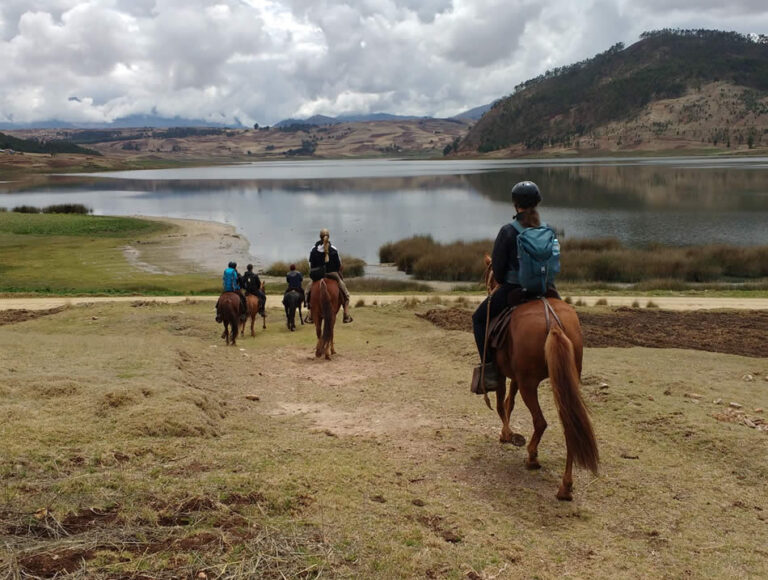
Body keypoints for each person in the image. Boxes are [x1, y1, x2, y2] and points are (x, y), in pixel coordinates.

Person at [471, 181, 559, 390]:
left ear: (515, 205)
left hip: (514, 290)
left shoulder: (508, 231)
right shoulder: (548, 230)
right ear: (537, 203)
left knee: (478, 319)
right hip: (546, 288)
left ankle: (489, 371)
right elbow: (553, 263)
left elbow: (499, 275)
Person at [306, 228, 353, 323]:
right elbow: (338, 265)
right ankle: (346, 315)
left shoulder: (314, 249)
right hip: (332, 274)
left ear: (320, 237)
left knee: (307, 291)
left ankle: (310, 314)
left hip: (318, 275)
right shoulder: (334, 249)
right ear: (329, 236)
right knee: (346, 294)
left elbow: (311, 264)